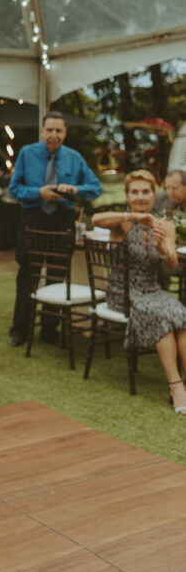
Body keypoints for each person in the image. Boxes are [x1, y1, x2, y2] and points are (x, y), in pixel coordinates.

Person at [92, 169, 186, 415]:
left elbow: (173, 265)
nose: (141, 196)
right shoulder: (122, 221)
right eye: (135, 192)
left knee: (182, 315)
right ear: (127, 195)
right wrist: (134, 215)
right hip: (123, 290)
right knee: (162, 317)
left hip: (152, 288)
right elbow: (95, 220)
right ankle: (175, 386)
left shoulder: (165, 224)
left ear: (155, 195)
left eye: (146, 191)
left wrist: (163, 249)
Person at [7, 112, 102, 347]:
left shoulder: (74, 157)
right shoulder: (27, 153)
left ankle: (49, 329)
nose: (54, 135)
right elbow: (14, 189)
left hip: (62, 219)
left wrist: (75, 190)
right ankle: (20, 329)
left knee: (57, 275)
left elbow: (95, 188)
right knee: (29, 274)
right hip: (33, 218)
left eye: (58, 131)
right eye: (49, 130)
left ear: (65, 133)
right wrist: (38, 192)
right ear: (42, 131)